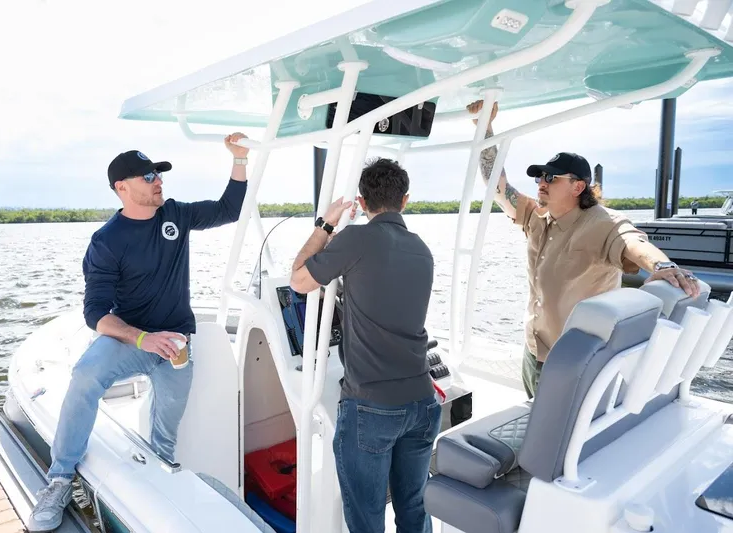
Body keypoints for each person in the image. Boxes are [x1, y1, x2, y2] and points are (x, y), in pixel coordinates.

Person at [27, 133, 250, 532]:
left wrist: (239, 160)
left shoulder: (176, 215)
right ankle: (60, 478)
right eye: (149, 177)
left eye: (158, 174)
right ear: (122, 188)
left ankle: (161, 477)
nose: (158, 181)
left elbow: (229, 208)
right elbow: (95, 313)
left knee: (167, 430)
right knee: (85, 376)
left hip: (175, 342)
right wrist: (143, 339)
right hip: (130, 339)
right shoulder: (107, 241)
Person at [467, 100, 701, 399]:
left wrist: (662, 266)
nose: (541, 182)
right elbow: (496, 187)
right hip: (533, 351)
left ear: (578, 187)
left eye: (551, 177)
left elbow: (633, 242)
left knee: (560, 439)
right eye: (540, 176)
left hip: (577, 362)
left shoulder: (604, 222)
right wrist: (483, 127)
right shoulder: (536, 215)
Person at [290, 158, 440, 533]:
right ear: (405, 200)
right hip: (422, 403)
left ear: (361, 200)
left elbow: (298, 281)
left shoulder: (354, 238)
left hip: (372, 408)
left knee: (367, 519)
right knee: (414, 510)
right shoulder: (422, 248)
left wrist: (326, 225)